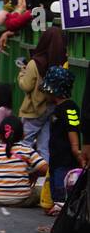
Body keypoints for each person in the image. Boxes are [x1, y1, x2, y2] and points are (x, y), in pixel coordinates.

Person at [42, 66, 88, 216]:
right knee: (56, 191)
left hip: (65, 161)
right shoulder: (58, 107)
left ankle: (60, 221)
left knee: (62, 193)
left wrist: (76, 150)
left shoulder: (69, 108)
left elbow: (72, 129)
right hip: (56, 160)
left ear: (54, 89)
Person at [19, 25, 67, 159]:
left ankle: (19, 171)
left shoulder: (35, 63)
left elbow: (26, 86)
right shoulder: (61, 63)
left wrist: (22, 73)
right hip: (51, 108)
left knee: (25, 143)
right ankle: (43, 174)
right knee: (44, 144)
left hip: (34, 110)